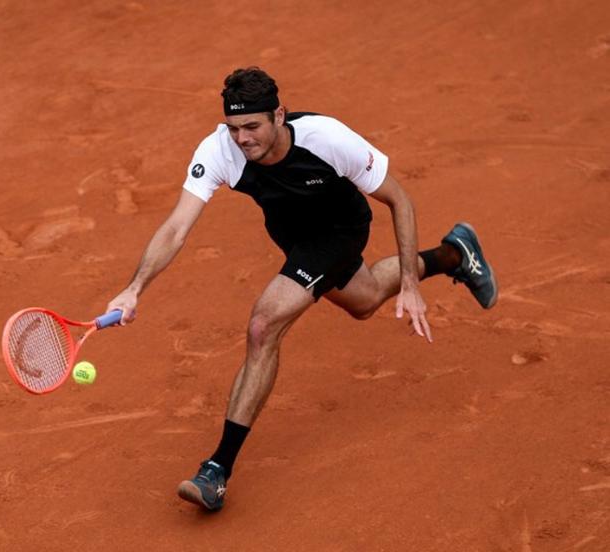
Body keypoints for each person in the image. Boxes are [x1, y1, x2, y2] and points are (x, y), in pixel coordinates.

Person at [106, 67, 496, 511]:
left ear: (279, 115)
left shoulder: (326, 138)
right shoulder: (219, 150)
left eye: (253, 126)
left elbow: (399, 200)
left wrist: (410, 284)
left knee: (262, 325)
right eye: (234, 128)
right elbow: (177, 227)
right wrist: (135, 288)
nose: (243, 139)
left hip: (339, 229)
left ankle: (217, 470)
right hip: (292, 237)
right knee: (364, 300)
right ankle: (454, 253)